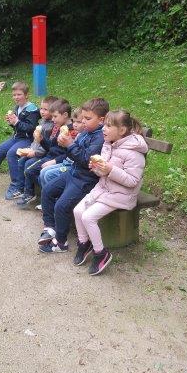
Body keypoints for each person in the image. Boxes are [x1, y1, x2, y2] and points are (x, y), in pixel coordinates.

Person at [73, 110, 148, 275]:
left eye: (108, 126)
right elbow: (104, 172)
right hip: (104, 190)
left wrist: (110, 169)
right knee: (78, 211)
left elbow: (132, 181)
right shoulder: (109, 145)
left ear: (122, 130)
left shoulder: (134, 153)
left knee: (88, 217)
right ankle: (84, 243)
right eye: (104, 125)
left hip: (122, 195)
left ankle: (101, 253)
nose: (103, 129)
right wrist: (97, 168)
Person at [38, 98, 109, 254]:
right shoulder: (86, 132)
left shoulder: (100, 138)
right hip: (73, 173)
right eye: (83, 118)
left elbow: (86, 160)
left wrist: (70, 144)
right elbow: (74, 152)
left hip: (85, 180)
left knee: (61, 206)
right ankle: (50, 227)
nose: (83, 121)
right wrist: (66, 143)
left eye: (87, 118)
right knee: (47, 190)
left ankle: (61, 242)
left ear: (101, 120)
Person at [0, 81, 40, 199]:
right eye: (14, 95)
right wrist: (11, 122)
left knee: (12, 153)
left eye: (19, 94)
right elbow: (17, 127)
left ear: (26, 95)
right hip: (17, 137)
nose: (16, 97)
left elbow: (31, 128)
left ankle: (17, 186)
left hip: (28, 139)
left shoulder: (32, 110)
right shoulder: (17, 108)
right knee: (0, 149)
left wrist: (17, 122)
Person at [16, 98, 72, 208]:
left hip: (58, 160)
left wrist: (54, 161)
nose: (53, 119)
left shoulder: (70, 131)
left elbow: (69, 153)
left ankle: (45, 197)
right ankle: (43, 196)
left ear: (65, 115)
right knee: (29, 170)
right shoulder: (58, 127)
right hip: (50, 156)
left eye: (55, 116)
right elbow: (51, 147)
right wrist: (41, 139)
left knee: (34, 171)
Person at [12, 95, 57, 204]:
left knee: (29, 164)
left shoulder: (51, 127)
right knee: (21, 161)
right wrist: (29, 149)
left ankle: (29, 192)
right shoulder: (42, 122)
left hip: (43, 154)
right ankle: (21, 188)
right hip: (35, 151)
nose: (42, 111)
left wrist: (35, 153)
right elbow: (35, 141)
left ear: (53, 111)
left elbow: (47, 146)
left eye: (46, 109)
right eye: (41, 108)